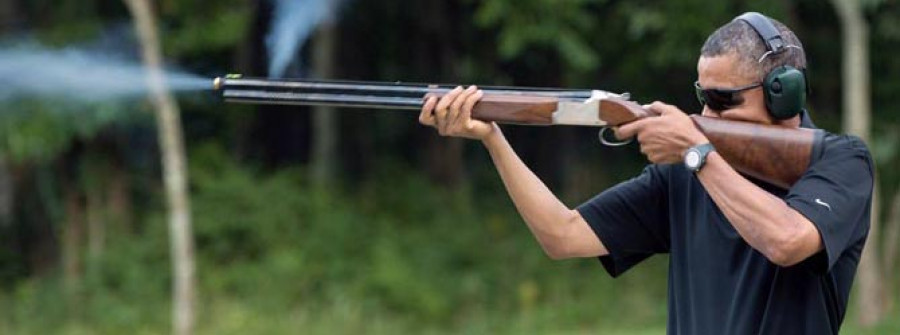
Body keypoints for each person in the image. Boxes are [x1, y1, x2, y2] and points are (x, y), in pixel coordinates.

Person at [418, 12, 873, 335]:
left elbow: (788, 241)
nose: (705, 111)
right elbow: (562, 235)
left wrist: (697, 154)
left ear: (783, 94)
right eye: (702, 95)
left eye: (722, 100)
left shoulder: (839, 161)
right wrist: (494, 138)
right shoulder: (684, 171)